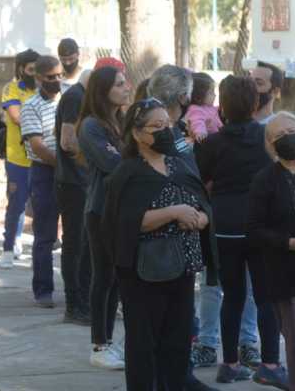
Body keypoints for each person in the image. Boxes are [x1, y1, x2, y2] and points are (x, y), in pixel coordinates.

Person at [102, 98, 215, 391]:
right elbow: (126, 221)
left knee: (178, 340)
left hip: (183, 267)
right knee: (143, 343)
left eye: (169, 125)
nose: (166, 131)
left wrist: (200, 218)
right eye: (157, 126)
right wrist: (174, 212)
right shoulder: (128, 173)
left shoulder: (179, 164)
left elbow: (202, 203)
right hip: (144, 273)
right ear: (138, 134)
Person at [196, 75, 285, 386]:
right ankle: (271, 363)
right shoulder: (266, 138)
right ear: (255, 103)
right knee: (266, 297)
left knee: (231, 296)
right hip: (261, 227)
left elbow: (201, 183)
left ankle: (230, 363)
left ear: (222, 105)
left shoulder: (212, 143)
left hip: (224, 226)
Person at [247, 111, 295, 391]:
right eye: (277, 136)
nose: (285, 138)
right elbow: (253, 230)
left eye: (290, 130)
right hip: (286, 271)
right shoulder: (265, 179)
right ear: (270, 145)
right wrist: (290, 243)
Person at [75, 63, 131, 370]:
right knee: (104, 277)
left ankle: (109, 341)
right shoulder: (91, 126)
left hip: (123, 210)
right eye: (120, 84)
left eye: (125, 83)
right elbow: (115, 164)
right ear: (103, 91)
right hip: (101, 211)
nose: (126, 88)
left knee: (117, 280)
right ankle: (99, 344)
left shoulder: (120, 121)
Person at [19, 55, 64, 307]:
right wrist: (65, 165)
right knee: (45, 234)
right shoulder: (31, 106)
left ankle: (77, 287)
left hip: (72, 171)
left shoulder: (68, 98)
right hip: (45, 173)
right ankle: (43, 289)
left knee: (77, 234)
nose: (56, 81)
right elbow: (37, 145)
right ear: (38, 78)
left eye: (59, 76)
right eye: (50, 77)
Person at [55, 66, 93, 325]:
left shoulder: (83, 97)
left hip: (84, 182)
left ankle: (83, 302)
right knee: (76, 244)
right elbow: (67, 142)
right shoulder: (76, 97)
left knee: (85, 245)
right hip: (74, 182)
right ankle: (75, 304)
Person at [0, 49, 39, 266]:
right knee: (16, 203)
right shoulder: (11, 88)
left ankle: (38, 250)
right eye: (30, 69)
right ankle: (7, 248)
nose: (34, 74)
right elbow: (16, 117)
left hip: (41, 157)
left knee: (42, 206)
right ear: (21, 69)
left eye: (37, 69)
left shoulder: (45, 89)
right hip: (18, 158)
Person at [185, 72, 221, 142]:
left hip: (214, 137)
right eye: (211, 92)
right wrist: (200, 132)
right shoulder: (195, 109)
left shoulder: (210, 108)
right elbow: (197, 121)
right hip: (204, 140)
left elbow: (217, 119)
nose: (215, 95)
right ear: (199, 96)